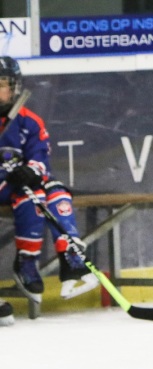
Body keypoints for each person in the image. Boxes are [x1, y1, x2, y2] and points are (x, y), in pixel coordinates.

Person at [0, 56, 98, 327]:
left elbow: (40, 156)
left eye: (1, 85)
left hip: (16, 187)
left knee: (51, 192)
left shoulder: (29, 121)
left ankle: (58, 258)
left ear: (15, 88)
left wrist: (30, 171)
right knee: (36, 193)